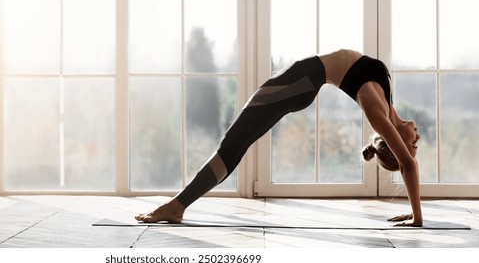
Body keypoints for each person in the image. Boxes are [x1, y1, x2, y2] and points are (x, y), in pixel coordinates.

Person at [134, 49, 422, 227]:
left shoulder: (377, 111)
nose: (417, 137)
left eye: (412, 145)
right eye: (415, 144)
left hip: (302, 82)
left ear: (394, 140)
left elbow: (408, 166)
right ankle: (178, 205)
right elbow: (406, 161)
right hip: (302, 82)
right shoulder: (387, 105)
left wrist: (417, 218)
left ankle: (177, 206)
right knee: (237, 142)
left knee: (234, 141)